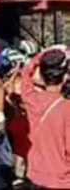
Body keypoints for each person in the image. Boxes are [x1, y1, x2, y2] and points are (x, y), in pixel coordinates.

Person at [19, 47, 70, 189]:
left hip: (36, 175)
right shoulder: (67, 108)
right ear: (65, 77)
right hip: (61, 179)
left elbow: (25, 74)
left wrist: (42, 55)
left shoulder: (31, 100)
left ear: (41, 75)